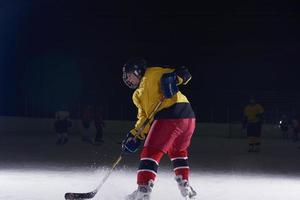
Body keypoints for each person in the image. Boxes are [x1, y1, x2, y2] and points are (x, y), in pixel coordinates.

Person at [121, 58, 197, 200]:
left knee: (150, 152)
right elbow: (144, 119)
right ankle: (185, 186)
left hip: (171, 114)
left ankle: (143, 190)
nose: (126, 78)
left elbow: (185, 74)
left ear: (138, 71)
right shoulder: (137, 96)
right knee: (178, 151)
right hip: (188, 117)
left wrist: (174, 77)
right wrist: (135, 136)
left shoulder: (153, 72)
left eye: (128, 74)